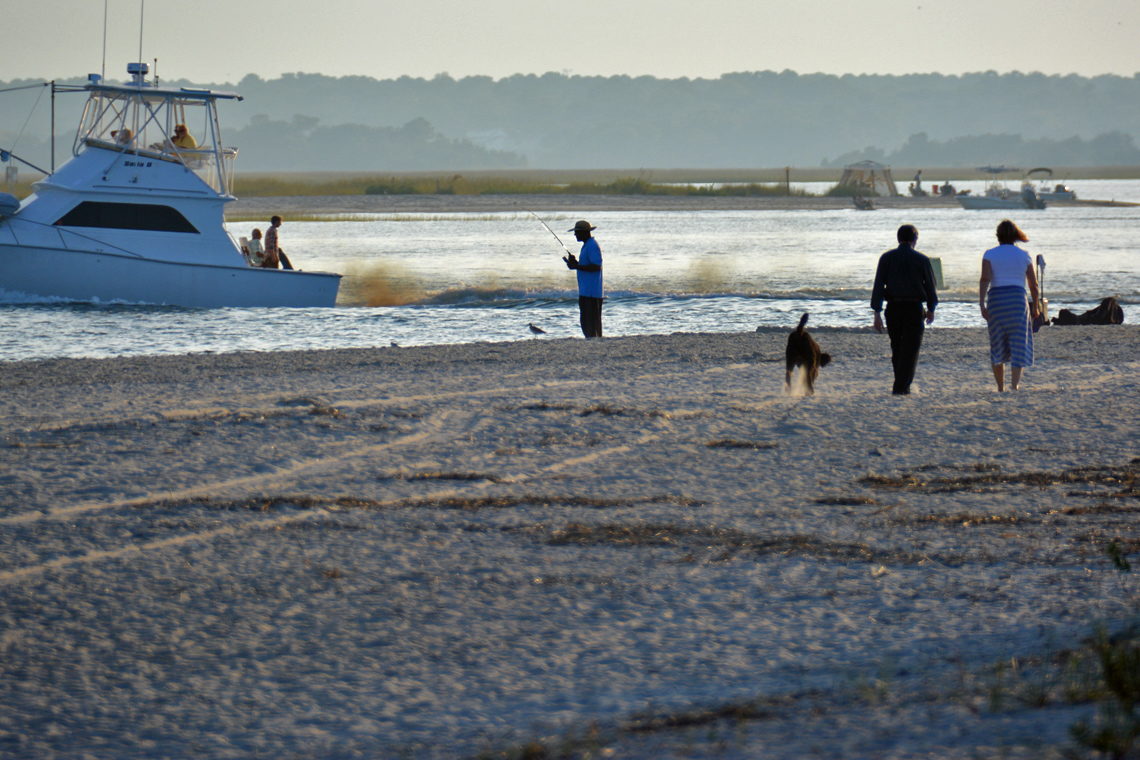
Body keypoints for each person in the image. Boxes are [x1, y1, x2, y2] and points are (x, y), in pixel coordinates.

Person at [871, 224, 939, 395]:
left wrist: (877, 312)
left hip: (893, 308)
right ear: (915, 239)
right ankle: (901, 387)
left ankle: (901, 385)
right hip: (914, 308)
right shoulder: (922, 259)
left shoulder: (886, 258)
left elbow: (878, 285)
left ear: (898, 239)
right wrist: (931, 308)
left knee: (897, 348)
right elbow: (931, 287)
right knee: (911, 349)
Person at [979, 219, 1039, 391]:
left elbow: (985, 279)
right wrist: (1035, 306)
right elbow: (1033, 285)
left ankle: (1000, 387)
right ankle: (1015, 385)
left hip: (997, 300)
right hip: (1017, 300)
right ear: (1015, 236)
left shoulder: (990, 254)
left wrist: (982, 304)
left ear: (998, 236)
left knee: (997, 342)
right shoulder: (1024, 255)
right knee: (1019, 341)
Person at [563, 219, 603, 338]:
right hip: (587, 291)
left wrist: (577, 266)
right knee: (587, 322)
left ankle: (594, 343)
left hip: (591, 293)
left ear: (584, 232)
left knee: (590, 323)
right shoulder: (587, 245)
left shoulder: (592, 246)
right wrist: (575, 264)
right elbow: (586, 266)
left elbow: (596, 266)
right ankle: (593, 342)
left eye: (577, 232)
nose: (575, 234)